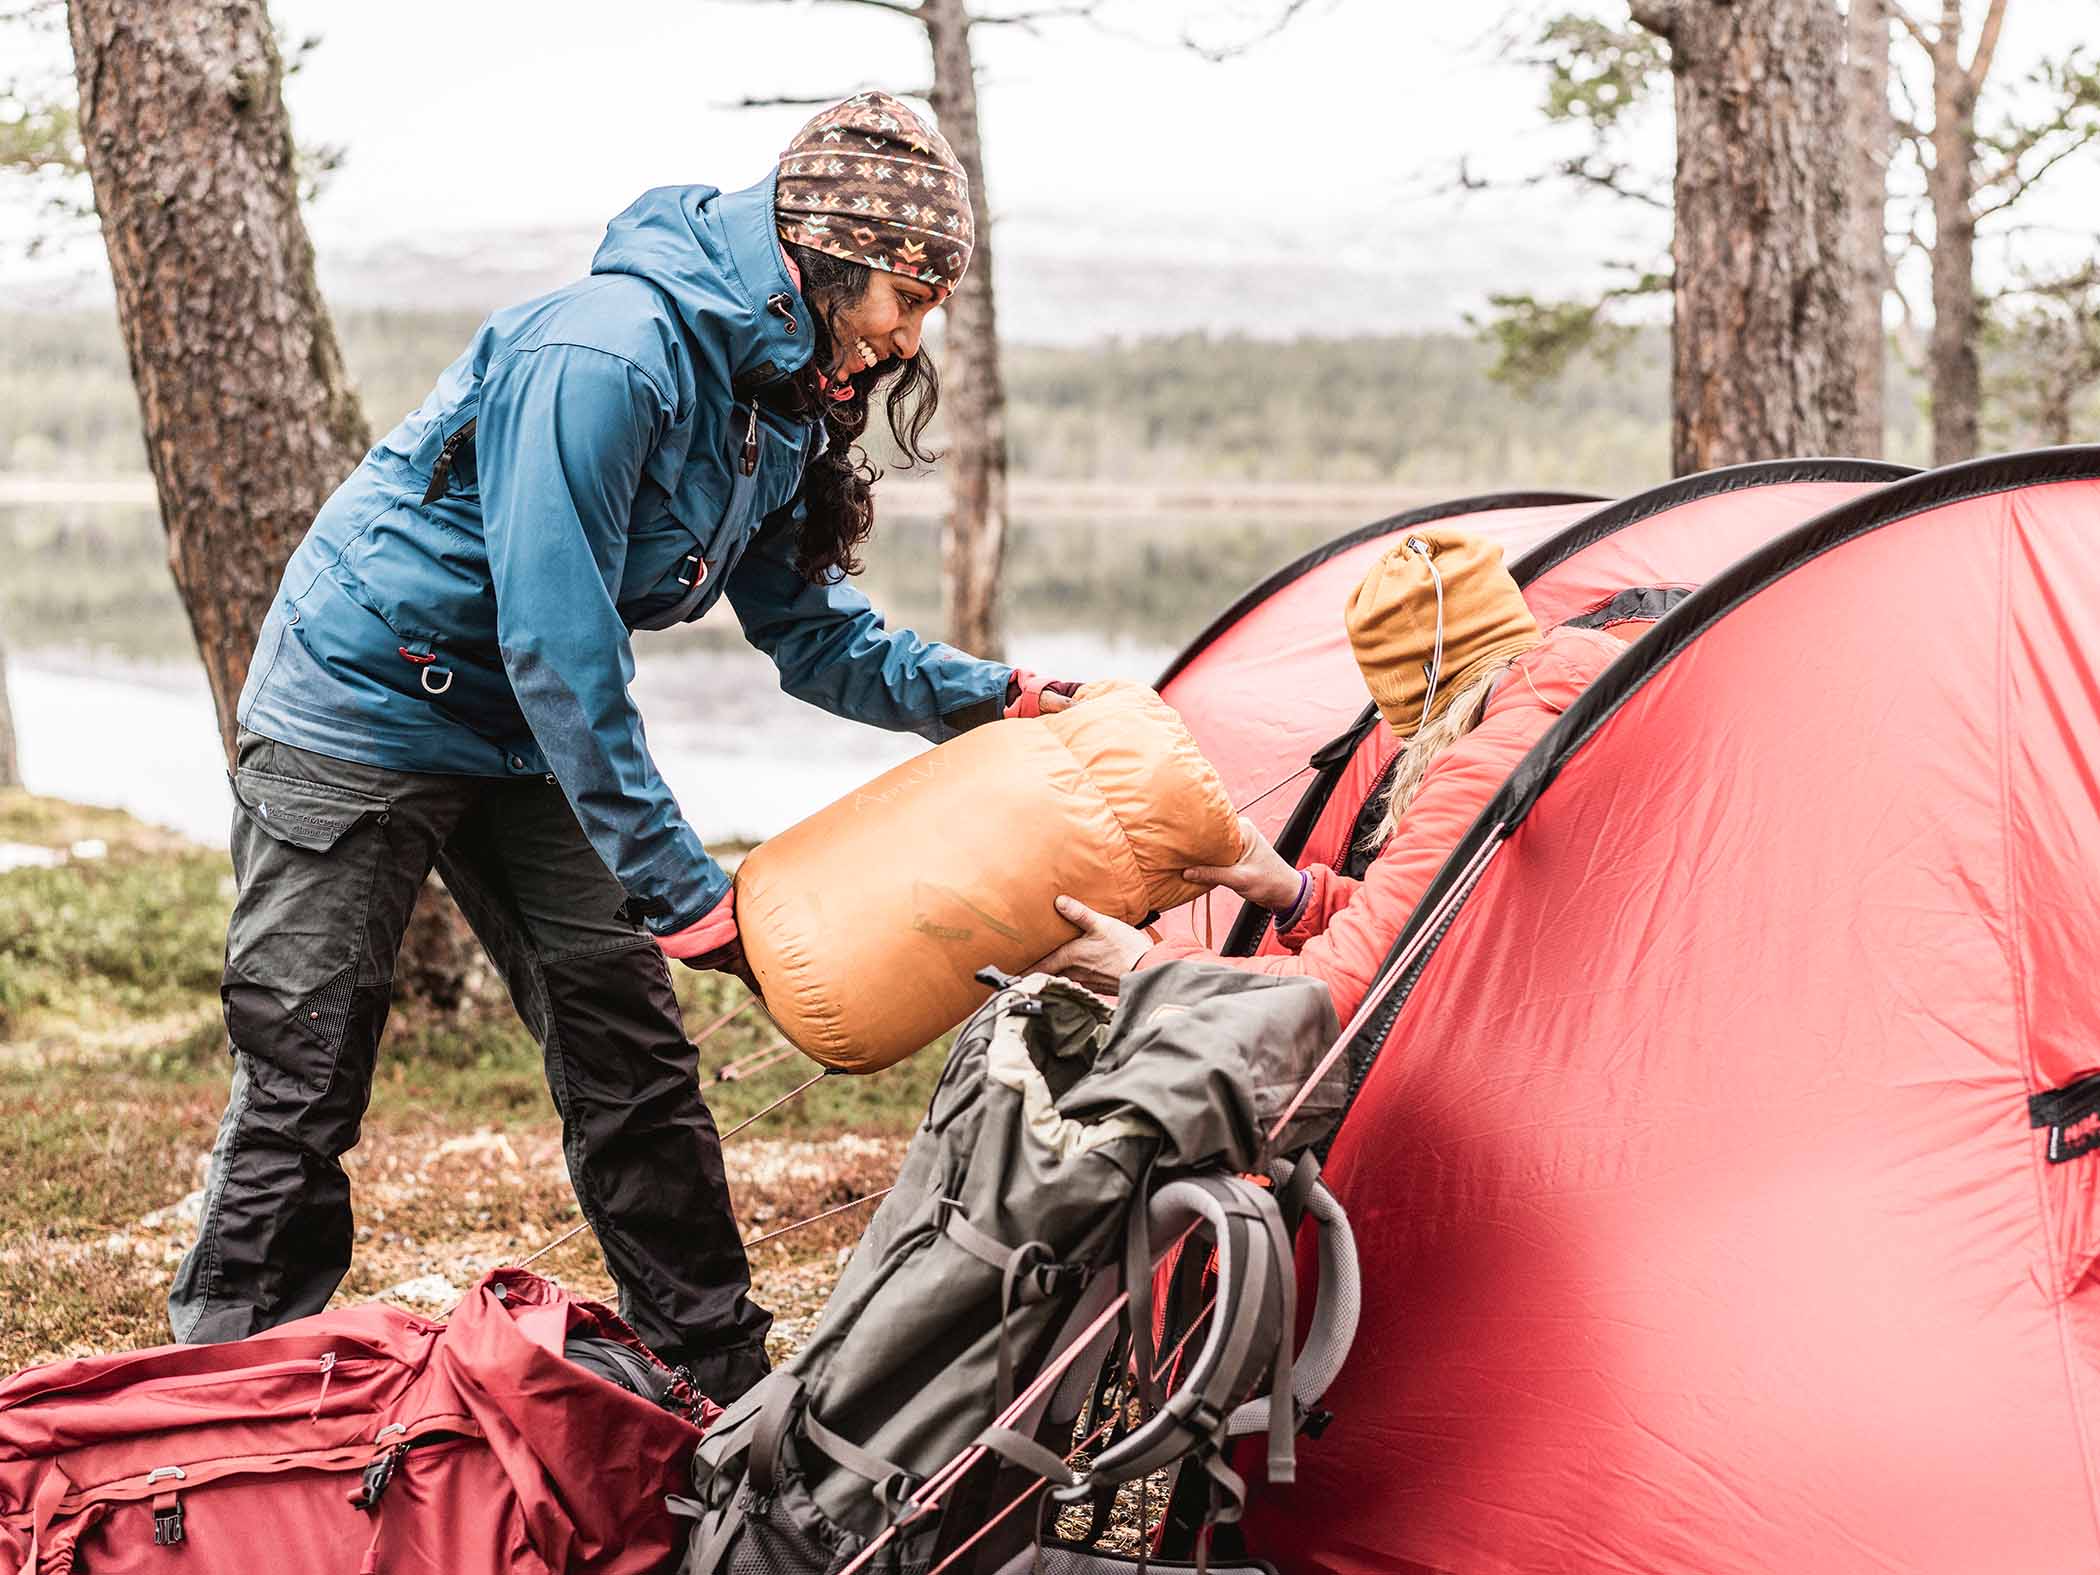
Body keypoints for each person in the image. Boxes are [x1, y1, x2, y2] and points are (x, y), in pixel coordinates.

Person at [170, 92, 1076, 1402]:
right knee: (306, 1068)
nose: (909, 333)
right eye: (902, 294)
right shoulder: (610, 354)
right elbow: (556, 634)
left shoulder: (776, 397)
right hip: (361, 705)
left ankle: (719, 1386)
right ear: (820, 257)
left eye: (930, 305)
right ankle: (215, 1396)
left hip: (521, 731)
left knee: (633, 1050)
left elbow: (811, 633)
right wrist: (677, 883)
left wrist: (991, 698)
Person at [1040, 527, 1619, 1025]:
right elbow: (1440, 925)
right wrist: (1292, 893)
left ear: (1421, 692)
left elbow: (1338, 994)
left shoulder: (1483, 769)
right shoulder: (1583, 688)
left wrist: (1142, 968)